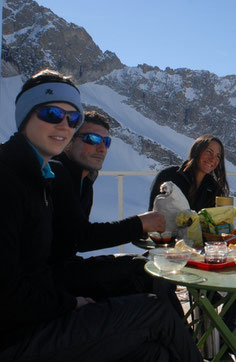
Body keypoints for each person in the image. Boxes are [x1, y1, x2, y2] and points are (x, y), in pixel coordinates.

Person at [0, 69, 202, 361]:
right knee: (153, 310)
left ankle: (186, 346)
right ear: (25, 115)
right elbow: (11, 290)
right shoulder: (14, 178)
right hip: (17, 336)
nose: (64, 125)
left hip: (38, 306)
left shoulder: (41, 176)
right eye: (53, 113)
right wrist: (71, 304)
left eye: (73, 119)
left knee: (154, 352)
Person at [49, 110, 183, 317]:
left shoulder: (84, 179)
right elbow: (80, 237)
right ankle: (182, 339)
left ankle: (177, 336)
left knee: (145, 267)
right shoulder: (57, 173)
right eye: (92, 139)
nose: (101, 148)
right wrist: (140, 224)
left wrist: (140, 226)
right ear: (69, 140)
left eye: (107, 142)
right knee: (146, 273)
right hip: (49, 278)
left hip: (64, 267)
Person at [149, 135, 236, 354]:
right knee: (162, 284)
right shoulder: (169, 177)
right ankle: (185, 336)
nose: (213, 159)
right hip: (168, 249)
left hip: (200, 252)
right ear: (197, 151)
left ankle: (226, 333)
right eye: (209, 152)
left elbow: (212, 226)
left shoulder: (211, 187)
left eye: (218, 156)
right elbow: (154, 215)